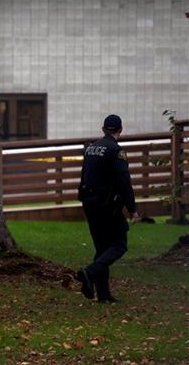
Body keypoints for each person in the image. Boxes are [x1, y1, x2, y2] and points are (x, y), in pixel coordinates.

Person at [76, 114, 139, 303]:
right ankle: (90, 272)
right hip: (106, 203)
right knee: (119, 244)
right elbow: (124, 181)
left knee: (102, 247)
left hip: (89, 202)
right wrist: (132, 209)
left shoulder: (91, 148)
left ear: (103, 129)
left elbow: (84, 175)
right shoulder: (116, 150)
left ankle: (103, 295)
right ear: (120, 130)